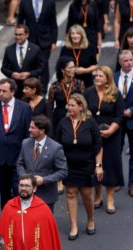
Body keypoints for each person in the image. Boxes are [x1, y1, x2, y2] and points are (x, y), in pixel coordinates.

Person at [55, 93, 103, 240]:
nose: (69, 108)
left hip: (87, 164)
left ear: (81, 106)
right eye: (68, 105)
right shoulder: (63, 122)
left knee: (87, 194)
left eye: (72, 105)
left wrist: (98, 165)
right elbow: (57, 145)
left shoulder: (90, 122)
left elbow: (98, 145)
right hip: (69, 165)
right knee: (70, 193)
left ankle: (90, 220)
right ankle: (74, 225)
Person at [0, 78, 31, 209]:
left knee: (18, 189)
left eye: (4, 91)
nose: (0, 94)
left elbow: (28, 133)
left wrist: (28, 155)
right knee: (3, 192)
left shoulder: (24, 108)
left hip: (18, 157)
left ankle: (19, 215)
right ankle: (6, 218)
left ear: (12, 92)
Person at [84, 66, 124, 214]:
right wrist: (92, 130)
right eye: (95, 76)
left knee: (111, 165)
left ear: (107, 78)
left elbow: (119, 115)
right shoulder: (88, 92)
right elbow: (85, 112)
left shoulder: (115, 93)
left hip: (112, 135)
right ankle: (98, 194)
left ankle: (110, 198)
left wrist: (111, 130)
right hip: (94, 134)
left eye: (100, 76)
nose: (97, 79)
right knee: (96, 164)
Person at [16, 115, 68, 212]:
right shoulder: (25, 143)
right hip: (26, 193)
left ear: (42, 130)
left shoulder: (55, 148)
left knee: (43, 225)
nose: (29, 130)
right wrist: (25, 178)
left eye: (32, 128)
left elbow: (63, 171)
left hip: (46, 195)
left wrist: (44, 180)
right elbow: (20, 163)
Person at [0, 174, 62, 249]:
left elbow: (49, 239)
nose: (23, 188)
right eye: (21, 185)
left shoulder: (43, 209)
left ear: (34, 189)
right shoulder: (9, 207)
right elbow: (2, 234)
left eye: (27, 186)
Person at [17, 0, 58, 94]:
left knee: (43, 64)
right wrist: (19, 38)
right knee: (29, 64)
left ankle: (42, 90)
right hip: (29, 40)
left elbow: (53, 22)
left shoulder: (50, 2)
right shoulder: (24, 2)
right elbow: (20, 21)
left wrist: (54, 41)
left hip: (45, 39)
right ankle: (30, 88)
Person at [1, 24, 44, 99]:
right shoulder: (9, 49)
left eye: (20, 35)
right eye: (16, 34)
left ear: (27, 35)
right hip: (14, 89)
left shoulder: (35, 49)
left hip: (30, 89)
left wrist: (29, 74)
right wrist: (12, 74)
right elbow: (3, 68)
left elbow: (41, 68)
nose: (17, 37)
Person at [48, 56, 85, 136]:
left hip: (75, 116)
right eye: (70, 68)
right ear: (62, 70)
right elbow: (50, 106)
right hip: (59, 117)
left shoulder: (79, 84)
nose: (73, 70)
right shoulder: (54, 86)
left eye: (74, 67)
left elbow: (83, 103)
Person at [114, 50, 133, 197]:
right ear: (120, 62)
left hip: (132, 119)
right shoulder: (113, 77)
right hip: (117, 121)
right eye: (126, 61)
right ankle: (116, 181)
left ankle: (132, 184)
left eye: (131, 60)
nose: (129, 63)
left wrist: (131, 110)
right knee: (115, 152)